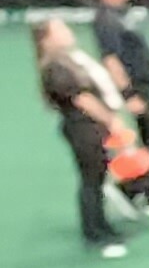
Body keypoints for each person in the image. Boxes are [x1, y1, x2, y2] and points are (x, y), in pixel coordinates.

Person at [37, 16, 137, 249]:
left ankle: (101, 225)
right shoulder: (56, 67)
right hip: (81, 128)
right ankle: (94, 231)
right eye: (60, 30)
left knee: (97, 177)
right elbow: (82, 98)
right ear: (47, 39)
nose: (67, 32)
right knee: (91, 179)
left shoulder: (66, 61)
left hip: (87, 127)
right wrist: (110, 119)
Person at [89, 0, 149, 215]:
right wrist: (129, 94)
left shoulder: (122, 14)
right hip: (137, 87)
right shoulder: (106, 20)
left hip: (147, 83)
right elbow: (111, 60)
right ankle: (131, 189)